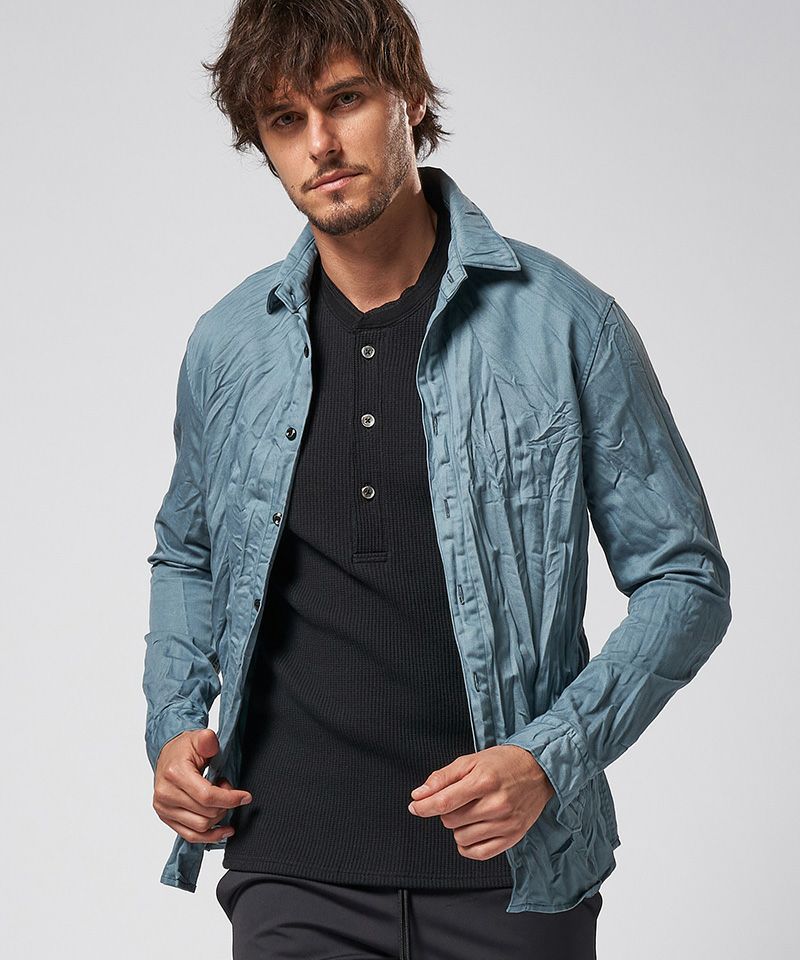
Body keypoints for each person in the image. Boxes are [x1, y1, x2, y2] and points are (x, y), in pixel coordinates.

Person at [142, 1, 732, 957]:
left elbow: (685, 577)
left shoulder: (565, 323)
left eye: (345, 100)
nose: (320, 144)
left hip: (514, 877)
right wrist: (173, 725)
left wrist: (551, 757)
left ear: (410, 98)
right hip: (291, 866)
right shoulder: (230, 343)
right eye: (287, 120)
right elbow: (188, 552)